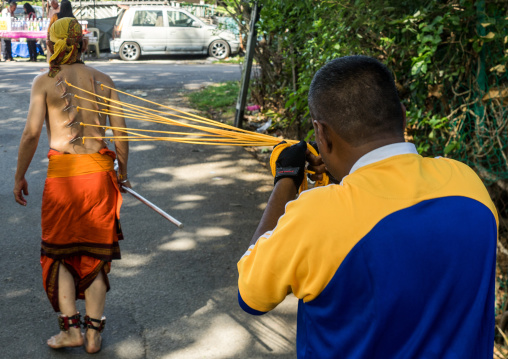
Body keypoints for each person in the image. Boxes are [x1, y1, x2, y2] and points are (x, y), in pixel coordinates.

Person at [237, 55, 498, 358]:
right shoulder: (467, 183)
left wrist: (285, 180)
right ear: (402, 116)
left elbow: (251, 293)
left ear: (321, 133)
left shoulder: (319, 216)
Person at [13, 17, 130, 354]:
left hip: (63, 181)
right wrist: (123, 172)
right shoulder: (104, 80)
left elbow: (32, 134)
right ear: (82, 42)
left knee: (60, 254)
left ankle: (71, 330)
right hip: (98, 177)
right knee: (95, 253)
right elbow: (120, 134)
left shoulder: (44, 82)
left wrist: (19, 175)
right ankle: (93, 333)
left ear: (53, 43)